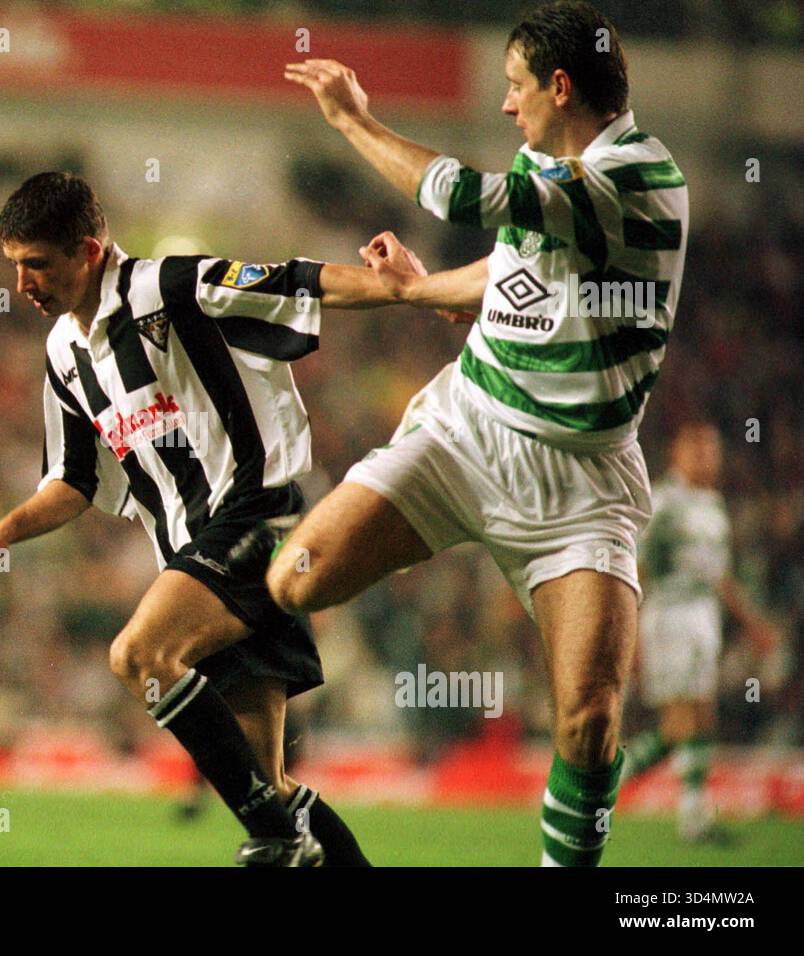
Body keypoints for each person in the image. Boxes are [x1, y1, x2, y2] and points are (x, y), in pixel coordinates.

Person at [258, 0, 689, 865]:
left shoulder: (637, 180)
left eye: (516, 85)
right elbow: (513, 268)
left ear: (560, 87)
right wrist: (419, 291)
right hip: (467, 434)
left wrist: (353, 121)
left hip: (580, 486)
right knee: (294, 580)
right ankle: (271, 802)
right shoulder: (553, 166)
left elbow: (467, 197)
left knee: (589, 720)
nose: (505, 102)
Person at [0, 171, 413, 865]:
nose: (22, 284)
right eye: (14, 266)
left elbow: (297, 282)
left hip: (261, 518)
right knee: (269, 783)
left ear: (89, 251)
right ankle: (287, 834)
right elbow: (74, 480)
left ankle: (277, 839)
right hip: (194, 553)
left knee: (139, 654)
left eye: (36, 264)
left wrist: (406, 289)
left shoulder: (168, 286)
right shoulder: (64, 353)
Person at [620, 421, 780, 842]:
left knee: (700, 717)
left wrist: (752, 623)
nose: (707, 458)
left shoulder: (712, 504)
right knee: (680, 722)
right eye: (698, 450)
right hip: (670, 615)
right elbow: (638, 569)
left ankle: (692, 818)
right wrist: (631, 634)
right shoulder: (664, 502)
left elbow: (718, 575)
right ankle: (611, 787)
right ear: (677, 455)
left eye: (712, 450)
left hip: (704, 617)